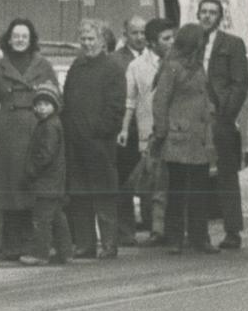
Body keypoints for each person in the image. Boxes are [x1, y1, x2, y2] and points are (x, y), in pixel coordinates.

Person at [0, 19, 58, 260]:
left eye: (24, 36)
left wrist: (50, 129)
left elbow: (57, 99)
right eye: (16, 35)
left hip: (37, 129)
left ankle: (32, 244)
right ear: (8, 38)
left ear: (31, 38)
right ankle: (10, 245)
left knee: (32, 186)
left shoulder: (44, 65)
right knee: (10, 190)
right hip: (8, 133)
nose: (20, 40)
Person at [63, 19, 128, 261]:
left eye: (92, 39)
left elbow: (116, 107)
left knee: (104, 195)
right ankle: (84, 244)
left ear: (102, 41)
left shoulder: (112, 68)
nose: (87, 44)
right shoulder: (76, 66)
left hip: (100, 144)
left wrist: (99, 131)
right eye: (84, 39)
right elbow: (67, 101)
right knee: (79, 196)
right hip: (76, 143)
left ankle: (109, 244)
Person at [151, 25, 219, 255]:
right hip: (178, 136)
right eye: (203, 42)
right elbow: (160, 102)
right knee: (178, 190)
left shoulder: (198, 67)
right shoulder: (172, 68)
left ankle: (200, 237)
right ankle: (175, 238)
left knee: (200, 190)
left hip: (199, 138)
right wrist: (162, 131)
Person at [197, 0, 248, 250]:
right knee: (197, 174)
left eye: (212, 12)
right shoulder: (191, 42)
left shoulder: (232, 44)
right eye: (204, 12)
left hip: (221, 117)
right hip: (196, 117)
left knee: (226, 175)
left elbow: (241, 82)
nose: (207, 16)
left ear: (220, 16)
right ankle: (199, 231)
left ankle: (233, 230)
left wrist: (227, 113)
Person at [126, 19, 173, 245]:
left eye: (172, 37)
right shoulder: (136, 66)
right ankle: (156, 229)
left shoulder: (178, 63)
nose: (171, 42)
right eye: (166, 39)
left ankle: (168, 227)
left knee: (169, 182)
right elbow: (130, 101)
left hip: (174, 133)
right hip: (149, 132)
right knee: (153, 181)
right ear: (152, 42)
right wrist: (124, 128)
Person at [22, 81, 71, 266]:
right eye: (39, 104)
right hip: (54, 181)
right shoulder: (51, 123)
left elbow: (46, 154)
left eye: (46, 104)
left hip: (46, 181)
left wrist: (32, 169)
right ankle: (65, 252)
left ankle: (40, 253)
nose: (41, 108)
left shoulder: (49, 126)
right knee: (57, 217)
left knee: (42, 219)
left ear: (54, 106)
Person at [113, 16, 151, 240]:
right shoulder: (116, 60)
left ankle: (153, 227)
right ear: (125, 34)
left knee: (151, 179)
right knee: (125, 182)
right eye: (134, 33)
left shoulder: (154, 58)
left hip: (148, 128)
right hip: (127, 130)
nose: (139, 37)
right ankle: (125, 231)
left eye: (143, 33)